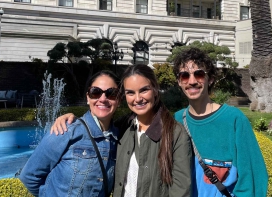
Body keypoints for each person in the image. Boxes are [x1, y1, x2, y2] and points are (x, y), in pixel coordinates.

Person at [50, 64, 192, 197]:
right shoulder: (121, 127)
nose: (137, 99)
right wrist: (72, 119)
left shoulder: (175, 133)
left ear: (155, 89)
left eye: (144, 90)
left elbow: (181, 190)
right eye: (130, 93)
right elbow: (97, 125)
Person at [172, 47, 268, 197]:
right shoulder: (176, 120)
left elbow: (253, 175)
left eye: (199, 74)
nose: (191, 81)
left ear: (210, 79)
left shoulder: (234, 119)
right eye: (184, 76)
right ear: (179, 81)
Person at [19, 70, 121, 197]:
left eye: (111, 93)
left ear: (119, 100)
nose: (103, 99)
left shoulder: (119, 137)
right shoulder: (67, 130)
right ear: (88, 97)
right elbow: (29, 176)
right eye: (96, 92)